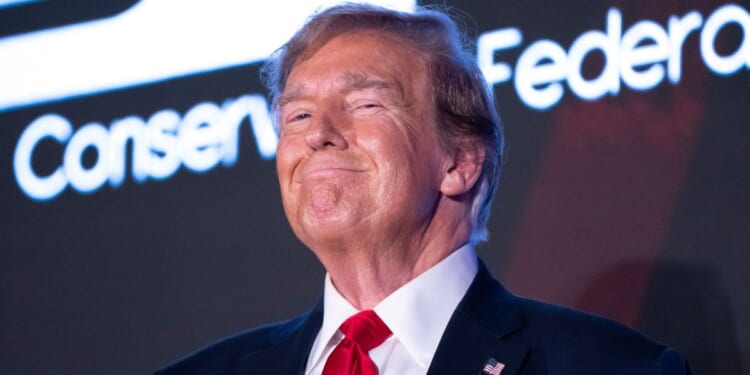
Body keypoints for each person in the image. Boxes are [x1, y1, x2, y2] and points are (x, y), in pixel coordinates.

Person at [155, 3, 690, 374]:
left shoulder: (613, 367)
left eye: (365, 104)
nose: (317, 134)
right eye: (296, 115)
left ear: (459, 160)